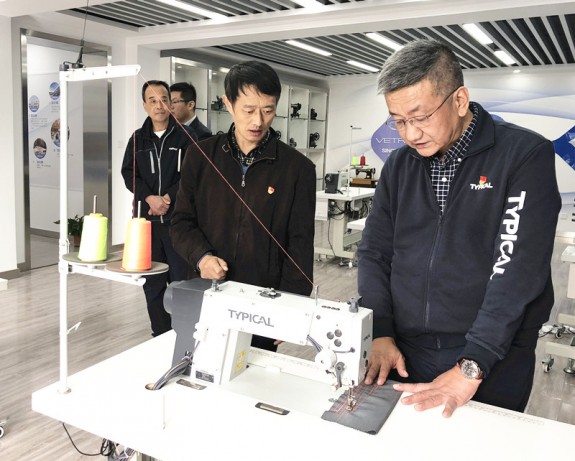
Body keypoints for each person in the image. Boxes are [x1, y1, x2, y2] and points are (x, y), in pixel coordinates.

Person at [357, 39, 561, 417]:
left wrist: (474, 362)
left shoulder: (523, 155)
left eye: (420, 117)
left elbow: (516, 268)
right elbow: (374, 252)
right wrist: (380, 330)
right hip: (405, 349)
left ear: (460, 100)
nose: (410, 134)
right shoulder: (400, 165)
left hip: (493, 354)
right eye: (398, 120)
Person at [170, 61, 316, 350]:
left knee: (255, 372)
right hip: (208, 292)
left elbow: (300, 243)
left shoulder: (298, 169)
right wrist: (202, 258)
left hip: (264, 303)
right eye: (248, 110)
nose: (258, 121)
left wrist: (292, 304)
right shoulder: (199, 156)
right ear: (228, 104)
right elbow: (181, 223)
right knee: (199, 364)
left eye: (268, 110)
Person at [121, 80, 194, 337]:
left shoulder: (186, 136)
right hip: (147, 225)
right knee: (152, 284)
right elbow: (129, 173)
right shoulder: (137, 139)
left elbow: (192, 175)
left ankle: (183, 335)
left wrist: (168, 198)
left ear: (171, 104)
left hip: (178, 224)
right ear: (145, 106)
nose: (159, 105)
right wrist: (150, 198)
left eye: (164, 99)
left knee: (181, 283)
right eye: (152, 100)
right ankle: (160, 335)